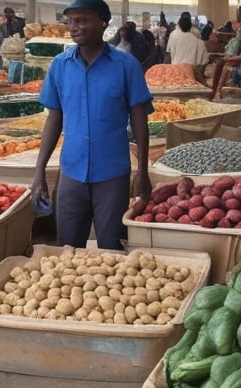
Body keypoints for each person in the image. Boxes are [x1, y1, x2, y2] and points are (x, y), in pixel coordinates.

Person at [33, 0, 153, 251]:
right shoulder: (60, 66)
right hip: (71, 174)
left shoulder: (126, 66)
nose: (74, 27)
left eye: (82, 20)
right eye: (71, 21)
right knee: (67, 249)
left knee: (112, 248)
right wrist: (39, 171)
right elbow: (54, 119)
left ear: (103, 23)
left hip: (112, 174)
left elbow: (140, 120)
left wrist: (142, 171)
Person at [167, 16, 209, 82]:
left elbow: (169, 52)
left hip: (175, 72)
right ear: (191, 27)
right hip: (191, 75)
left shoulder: (173, 36)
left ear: (179, 26)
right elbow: (203, 63)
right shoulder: (199, 42)